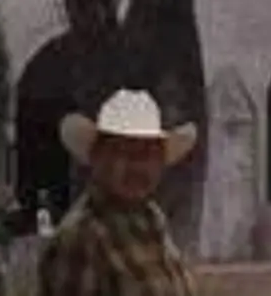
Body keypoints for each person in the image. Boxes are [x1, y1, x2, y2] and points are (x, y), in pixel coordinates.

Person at [38, 88, 198, 296]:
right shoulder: (82, 237)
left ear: (161, 163)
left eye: (148, 155)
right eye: (124, 153)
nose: (138, 167)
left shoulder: (152, 217)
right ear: (97, 158)